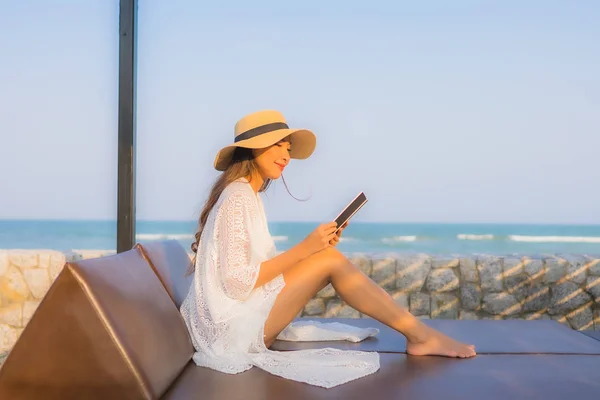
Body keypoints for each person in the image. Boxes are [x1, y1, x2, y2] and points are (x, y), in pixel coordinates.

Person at [179, 110, 476, 388]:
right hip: (228, 334)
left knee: (326, 256)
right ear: (254, 149)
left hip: (232, 323)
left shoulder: (246, 195)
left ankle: (420, 334)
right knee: (329, 259)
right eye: (279, 146)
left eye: (288, 148)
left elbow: (254, 271)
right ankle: (421, 336)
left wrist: (312, 250)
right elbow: (237, 282)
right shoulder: (238, 196)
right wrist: (306, 248)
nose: (286, 155)